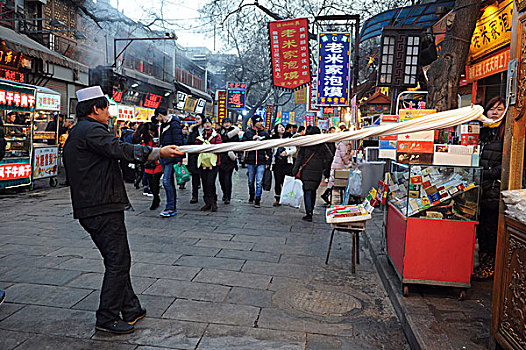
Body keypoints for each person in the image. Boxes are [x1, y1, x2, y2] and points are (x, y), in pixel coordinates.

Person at [63, 86, 180, 334]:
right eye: (106, 106)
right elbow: (121, 149)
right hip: (100, 207)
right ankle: (106, 318)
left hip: (94, 205)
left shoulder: (80, 131)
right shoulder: (92, 130)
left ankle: (130, 307)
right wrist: (157, 152)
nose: (109, 112)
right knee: (118, 260)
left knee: (117, 259)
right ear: (96, 108)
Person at [472, 96, 506, 280]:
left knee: (491, 229)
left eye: (499, 109)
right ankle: (483, 262)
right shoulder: (483, 131)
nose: (494, 112)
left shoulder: (505, 133)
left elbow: (507, 164)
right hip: (479, 188)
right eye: (492, 109)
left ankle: (490, 266)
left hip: (493, 188)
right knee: (482, 229)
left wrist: (491, 172)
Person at [292, 126, 333, 222]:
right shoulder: (322, 145)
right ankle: (311, 210)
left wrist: (295, 170)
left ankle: (308, 212)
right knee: (313, 190)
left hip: (306, 171)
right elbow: (329, 157)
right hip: (317, 171)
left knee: (307, 190)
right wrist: (322, 166)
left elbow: (299, 158)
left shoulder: (305, 144)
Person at [156, 107, 184, 217]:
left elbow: (178, 142)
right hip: (164, 156)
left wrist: (179, 159)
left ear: (160, 115)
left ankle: (170, 207)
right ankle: (171, 206)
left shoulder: (174, 124)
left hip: (171, 157)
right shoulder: (163, 125)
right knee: (168, 182)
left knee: (167, 182)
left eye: (157, 117)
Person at [242, 115, 271, 208]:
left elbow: (269, 147)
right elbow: (243, 143)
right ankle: (251, 194)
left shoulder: (265, 133)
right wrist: (252, 139)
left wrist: (268, 157)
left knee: (259, 181)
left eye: (261, 121)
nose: (260, 123)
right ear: (254, 122)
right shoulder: (248, 132)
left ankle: (257, 198)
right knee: (250, 181)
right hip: (251, 160)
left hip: (261, 160)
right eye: (258, 121)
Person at [194, 117, 222, 211]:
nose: (207, 125)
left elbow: (219, 147)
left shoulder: (216, 136)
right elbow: (196, 146)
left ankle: (213, 202)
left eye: (209, 123)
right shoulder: (200, 135)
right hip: (203, 163)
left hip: (213, 163)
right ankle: (207, 203)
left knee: (210, 182)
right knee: (204, 183)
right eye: (205, 123)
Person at [139, 123, 163, 210]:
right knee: (151, 184)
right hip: (148, 164)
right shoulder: (144, 139)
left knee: (155, 183)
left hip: (157, 164)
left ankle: (156, 200)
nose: (151, 133)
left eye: (152, 131)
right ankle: (156, 198)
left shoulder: (157, 138)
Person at [321, 140, 353, 204]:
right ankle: (326, 194)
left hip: (338, 164)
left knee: (333, 181)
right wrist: (348, 163)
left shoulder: (343, 144)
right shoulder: (343, 145)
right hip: (338, 165)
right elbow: (343, 155)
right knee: (335, 180)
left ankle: (326, 194)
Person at [271, 123, 295, 206]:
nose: (282, 128)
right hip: (277, 164)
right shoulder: (273, 139)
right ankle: (277, 198)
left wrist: (287, 152)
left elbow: (294, 149)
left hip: (287, 163)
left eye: (282, 127)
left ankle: (286, 198)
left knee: (286, 181)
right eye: (279, 127)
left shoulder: (289, 138)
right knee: (278, 181)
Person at [218, 118, 240, 204]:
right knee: (221, 179)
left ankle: (228, 196)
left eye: (228, 122)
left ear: (231, 123)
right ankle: (224, 193)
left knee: (227, 178)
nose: (226, 124)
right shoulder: (219, 132)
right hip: (220, 158)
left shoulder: (235, 133)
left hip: (230, 158)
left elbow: (236, 145)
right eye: (224, 122)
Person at [186, 114, 203, 203]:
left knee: (206, 179)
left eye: (198, 119)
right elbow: (189, 143)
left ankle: (208, 197)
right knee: (195, 178)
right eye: (195, 119)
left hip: (205, 158)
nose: (196, 121)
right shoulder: (193, 131)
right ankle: (194, 196)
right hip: (194, 157)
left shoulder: (208, 131)